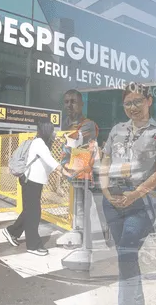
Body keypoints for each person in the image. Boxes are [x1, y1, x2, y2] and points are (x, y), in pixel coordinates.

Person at [99, 82, 156, 305]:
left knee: (126, 251)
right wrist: (105, 191)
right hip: (112, 200)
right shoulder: (116, 130)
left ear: (149, 101)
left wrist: (134, 195)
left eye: (138, 101)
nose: (133, 107)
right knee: (125, 255)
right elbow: (105, 162)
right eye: (128, 103)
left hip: (142, 201)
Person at [2, 119, 74, 256]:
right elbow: (50, 161)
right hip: (30, 182)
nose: (54, 133)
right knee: (34, 214)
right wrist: (64, 171)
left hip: (34, 182)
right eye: (52, 130)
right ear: (47, 131)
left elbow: (47, 165)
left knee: (30, 211)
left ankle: (12, 231)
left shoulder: (43, 144)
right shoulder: (39, 143)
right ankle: (33, 246)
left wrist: (61, 172)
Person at [61, 89, 100, 233]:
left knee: (80, 204)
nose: (69, 105)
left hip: (81, 173)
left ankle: (81, 234)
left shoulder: (88, 124)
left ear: (81, 104)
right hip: (68, 171)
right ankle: (77, 230)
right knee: (72, 203)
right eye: (66, 102)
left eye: (73, 102)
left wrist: (62, 140)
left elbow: (72, 141)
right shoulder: (64, 123)